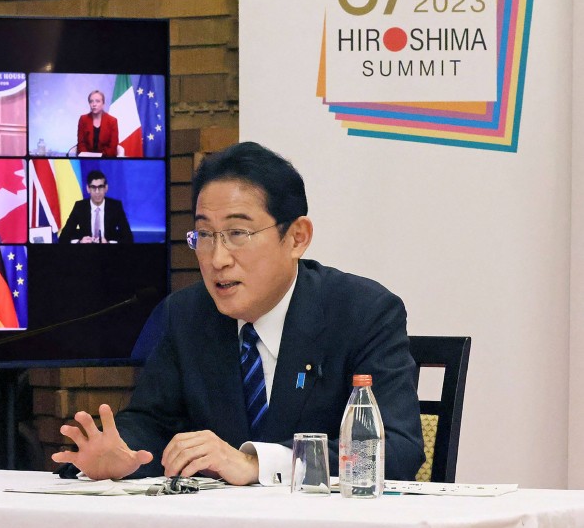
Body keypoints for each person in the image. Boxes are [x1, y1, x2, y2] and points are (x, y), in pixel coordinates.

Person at [52, 141, 424, 485]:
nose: (217, 259)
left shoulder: (362, 313)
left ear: (297, 237)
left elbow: (396, 449)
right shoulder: (184, 316)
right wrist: (125, 455)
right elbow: (153, 422)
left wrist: (256, 464)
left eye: (237, 234)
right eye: (205, 235)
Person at [57, 170, 133, 243]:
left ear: (106, 188)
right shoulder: (80, 207)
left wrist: (109, 243)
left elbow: (129, 237)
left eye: (100, 187)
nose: (97, 192)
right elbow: (63, 237)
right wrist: (80, 242)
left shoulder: (115, 206)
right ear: (88, 189)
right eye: (93, 187)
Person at [76, 90, 119, 157]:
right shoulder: (83, 119)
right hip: (86, 160)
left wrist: (99, 157)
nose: (94, 104)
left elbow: (112, 148)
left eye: (97, 101)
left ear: (103, 104)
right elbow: (81, 144)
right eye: (91, 101)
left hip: (106, 160)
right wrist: (87, 157)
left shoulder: (112, 121)